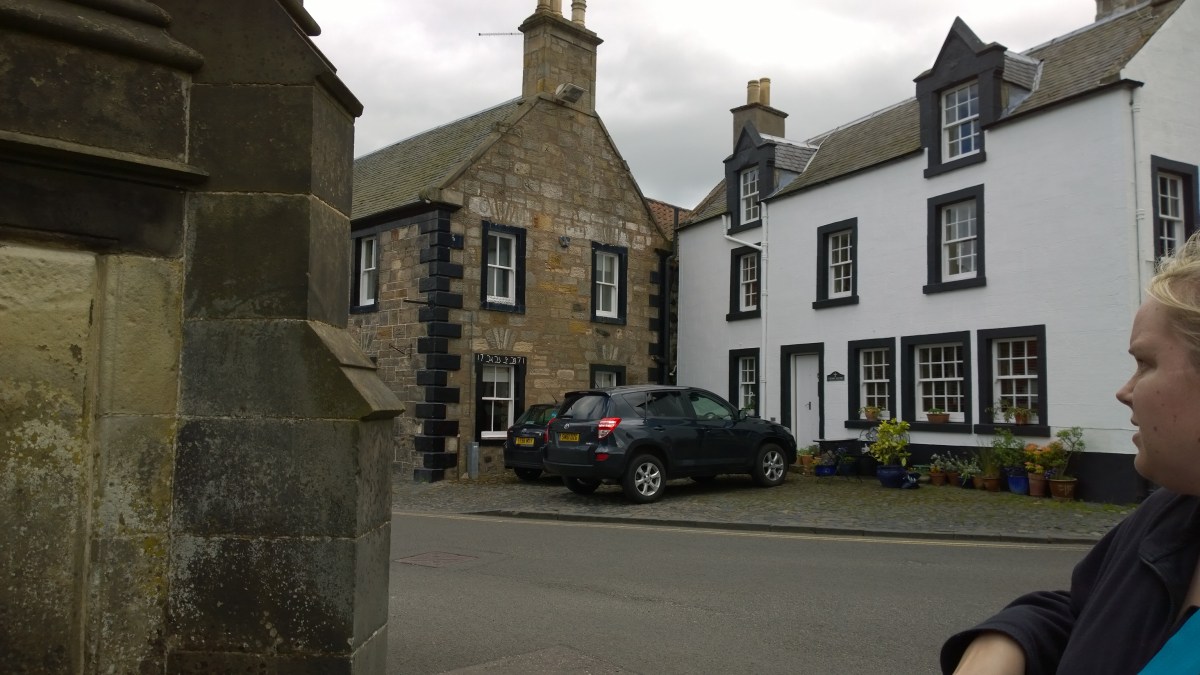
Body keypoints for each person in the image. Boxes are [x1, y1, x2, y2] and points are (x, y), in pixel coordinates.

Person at [941, 231, 1200, 675]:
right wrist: (1001, 643)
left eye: (1146, 363)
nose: (1125, 391)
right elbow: (1087, 613)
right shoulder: (1168, 515)